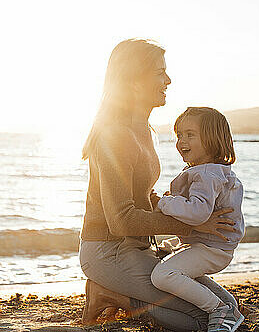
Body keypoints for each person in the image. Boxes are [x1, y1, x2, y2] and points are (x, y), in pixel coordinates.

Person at [79, 39, 238, 332]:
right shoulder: (115, 136)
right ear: (134, 81)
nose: (168, 80)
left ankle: (119, 291)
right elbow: (121, 220)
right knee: (202, 320)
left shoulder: (144, 130)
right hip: (106, 251)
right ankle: (113, 294)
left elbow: (144, 195)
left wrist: (183, 208)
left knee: (230, 309)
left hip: (139, 249)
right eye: (159, 72)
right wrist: (193, 226)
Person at [150, 107, 245, 332]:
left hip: (212, 248)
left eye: (190, 135)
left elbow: (197, 213)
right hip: (210, 245)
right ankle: (173, 250)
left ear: (212, 139)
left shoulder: (207, 174)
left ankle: (219, 310)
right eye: (179, 135)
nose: (181, 141)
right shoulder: (210, 171)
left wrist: (162, 203)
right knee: (166, 264)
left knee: (162, 275)